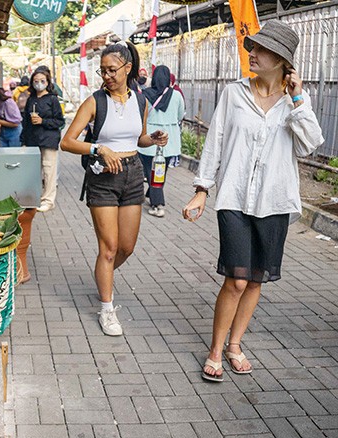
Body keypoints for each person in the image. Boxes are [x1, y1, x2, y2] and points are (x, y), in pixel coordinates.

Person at [182, 20, 323, 382]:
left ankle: (235, 345)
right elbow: (215, 141)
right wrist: (202, 189)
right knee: (237, 280)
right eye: (253, 47)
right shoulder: (234, 93)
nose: (252, 54)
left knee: (256, 280)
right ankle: (216, 348)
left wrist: (296, 98)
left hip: (274, 202)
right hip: (234, 197)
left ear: (281, 59)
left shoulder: (295, 102)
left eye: (260, 50)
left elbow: (310, 143)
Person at [60, 41, 168, 336]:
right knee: (108, 249)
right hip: (103, 177)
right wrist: (98, 148)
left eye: (112, 70)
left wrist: (154, 137)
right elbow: (67, 142)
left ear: (127, 68)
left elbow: (139, 138)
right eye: (103, 71)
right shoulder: (95, 101)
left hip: (133, 174)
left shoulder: (141, 101)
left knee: (127, 247)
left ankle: (102, 274)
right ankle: (107, 308)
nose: (106, 76)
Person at [137, 65, 185, 217]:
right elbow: (180, 116)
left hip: (149, 138)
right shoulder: (176, 95)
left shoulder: (144, 95)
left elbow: (141, 116)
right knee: (160, 171)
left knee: (151, 171)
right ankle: (154, 197)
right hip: (169, 139)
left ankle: (158, 204)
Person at [21, 67, 65, 212]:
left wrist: (43, 121)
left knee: (49, 170)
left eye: (42, 81)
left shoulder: (52, 99)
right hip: (33, 140)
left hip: (48, 140)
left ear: (47, 82)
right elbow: (25, 123)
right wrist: (23, 141)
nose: (39, 83)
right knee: (33, 171)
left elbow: (60, 121)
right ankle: (34, 198)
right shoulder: (31, 99)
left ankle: (48, 200)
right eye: (36, 81)